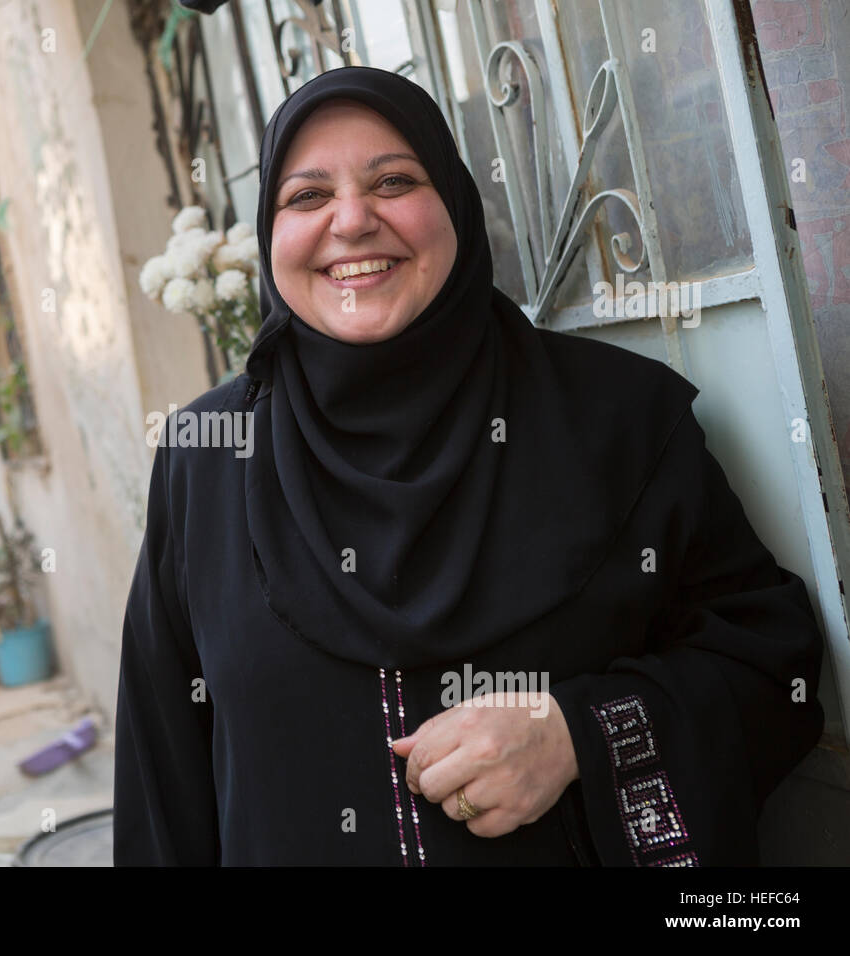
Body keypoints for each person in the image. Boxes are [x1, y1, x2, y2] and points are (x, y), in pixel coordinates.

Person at [112, 65, 824, 866]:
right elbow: (163, 769)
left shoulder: (616, 420)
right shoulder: (206, 459)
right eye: (307, 197)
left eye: (394, 180)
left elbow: (772, 669)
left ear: (453, 201)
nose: (352, 221)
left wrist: (577, 736)